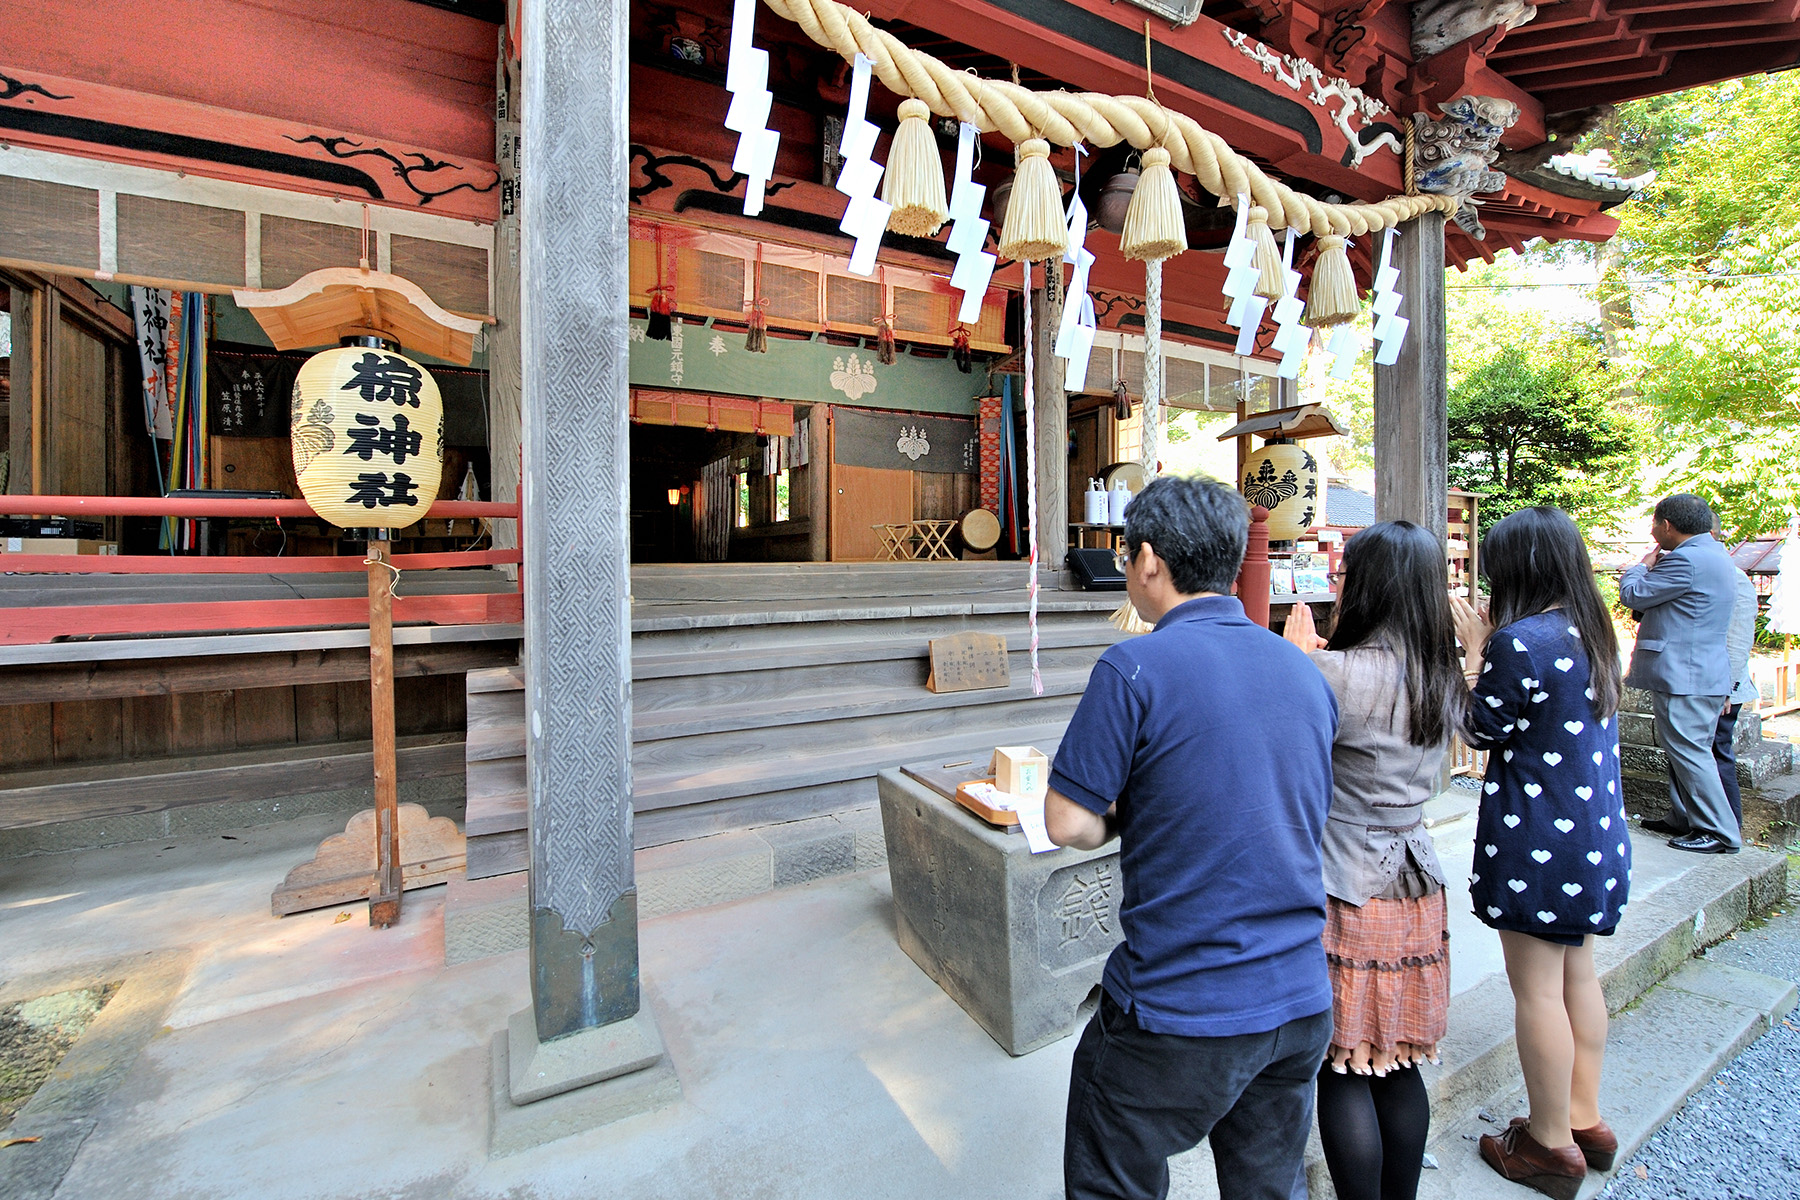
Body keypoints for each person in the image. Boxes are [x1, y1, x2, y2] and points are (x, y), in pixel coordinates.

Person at [1044, 475, 1337, 1200]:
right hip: (1300, 997)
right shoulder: (1302, 673)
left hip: (1181, 1002)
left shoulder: (1135, 665)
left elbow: (1067, 820)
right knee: (1268, 1189)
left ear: (1147, 560)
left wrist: (1123, 812)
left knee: (1113, 1177)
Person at [1450, 506, 1630, 1200]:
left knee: (1536, 992)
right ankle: (1586, 1119)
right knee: (1577, 976)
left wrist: (1474, 652)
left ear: (1517, 570)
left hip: (1536, 841)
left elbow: (1478, 725)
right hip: (1591, 838)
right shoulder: (1595, 632)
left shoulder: (1518, 642)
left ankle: (1549, 1144)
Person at [1279, 522, 1461, 1200]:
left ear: (1370, 585)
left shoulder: (1333, 673)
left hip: (1348, 885)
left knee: (1345, 1065)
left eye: (1346, 574)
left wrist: (1293, 659)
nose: (1337, 584)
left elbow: (1284, 747)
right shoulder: (1440, 672)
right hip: (1416, 883)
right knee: (1398, 1063)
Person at [1618, 494, 1742, 853]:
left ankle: (1718, 832)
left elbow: (1634, 595)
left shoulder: (1687, 560)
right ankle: (1685, 817)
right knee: (1687, 750)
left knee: (1690, 752)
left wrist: (1640, 566)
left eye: (1654, 523)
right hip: (1700, 672)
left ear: (1667, 526)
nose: (1653, 530)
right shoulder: (1715, 555)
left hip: (1686, 675)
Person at [1712, 516, 1760, 830]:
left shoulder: (1735, 577)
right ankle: (1687, 817)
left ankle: (1730, 824)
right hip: (1701, 680)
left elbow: (1740, 636)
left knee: (1717, 752)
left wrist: (1727, 687)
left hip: (1725, 685)